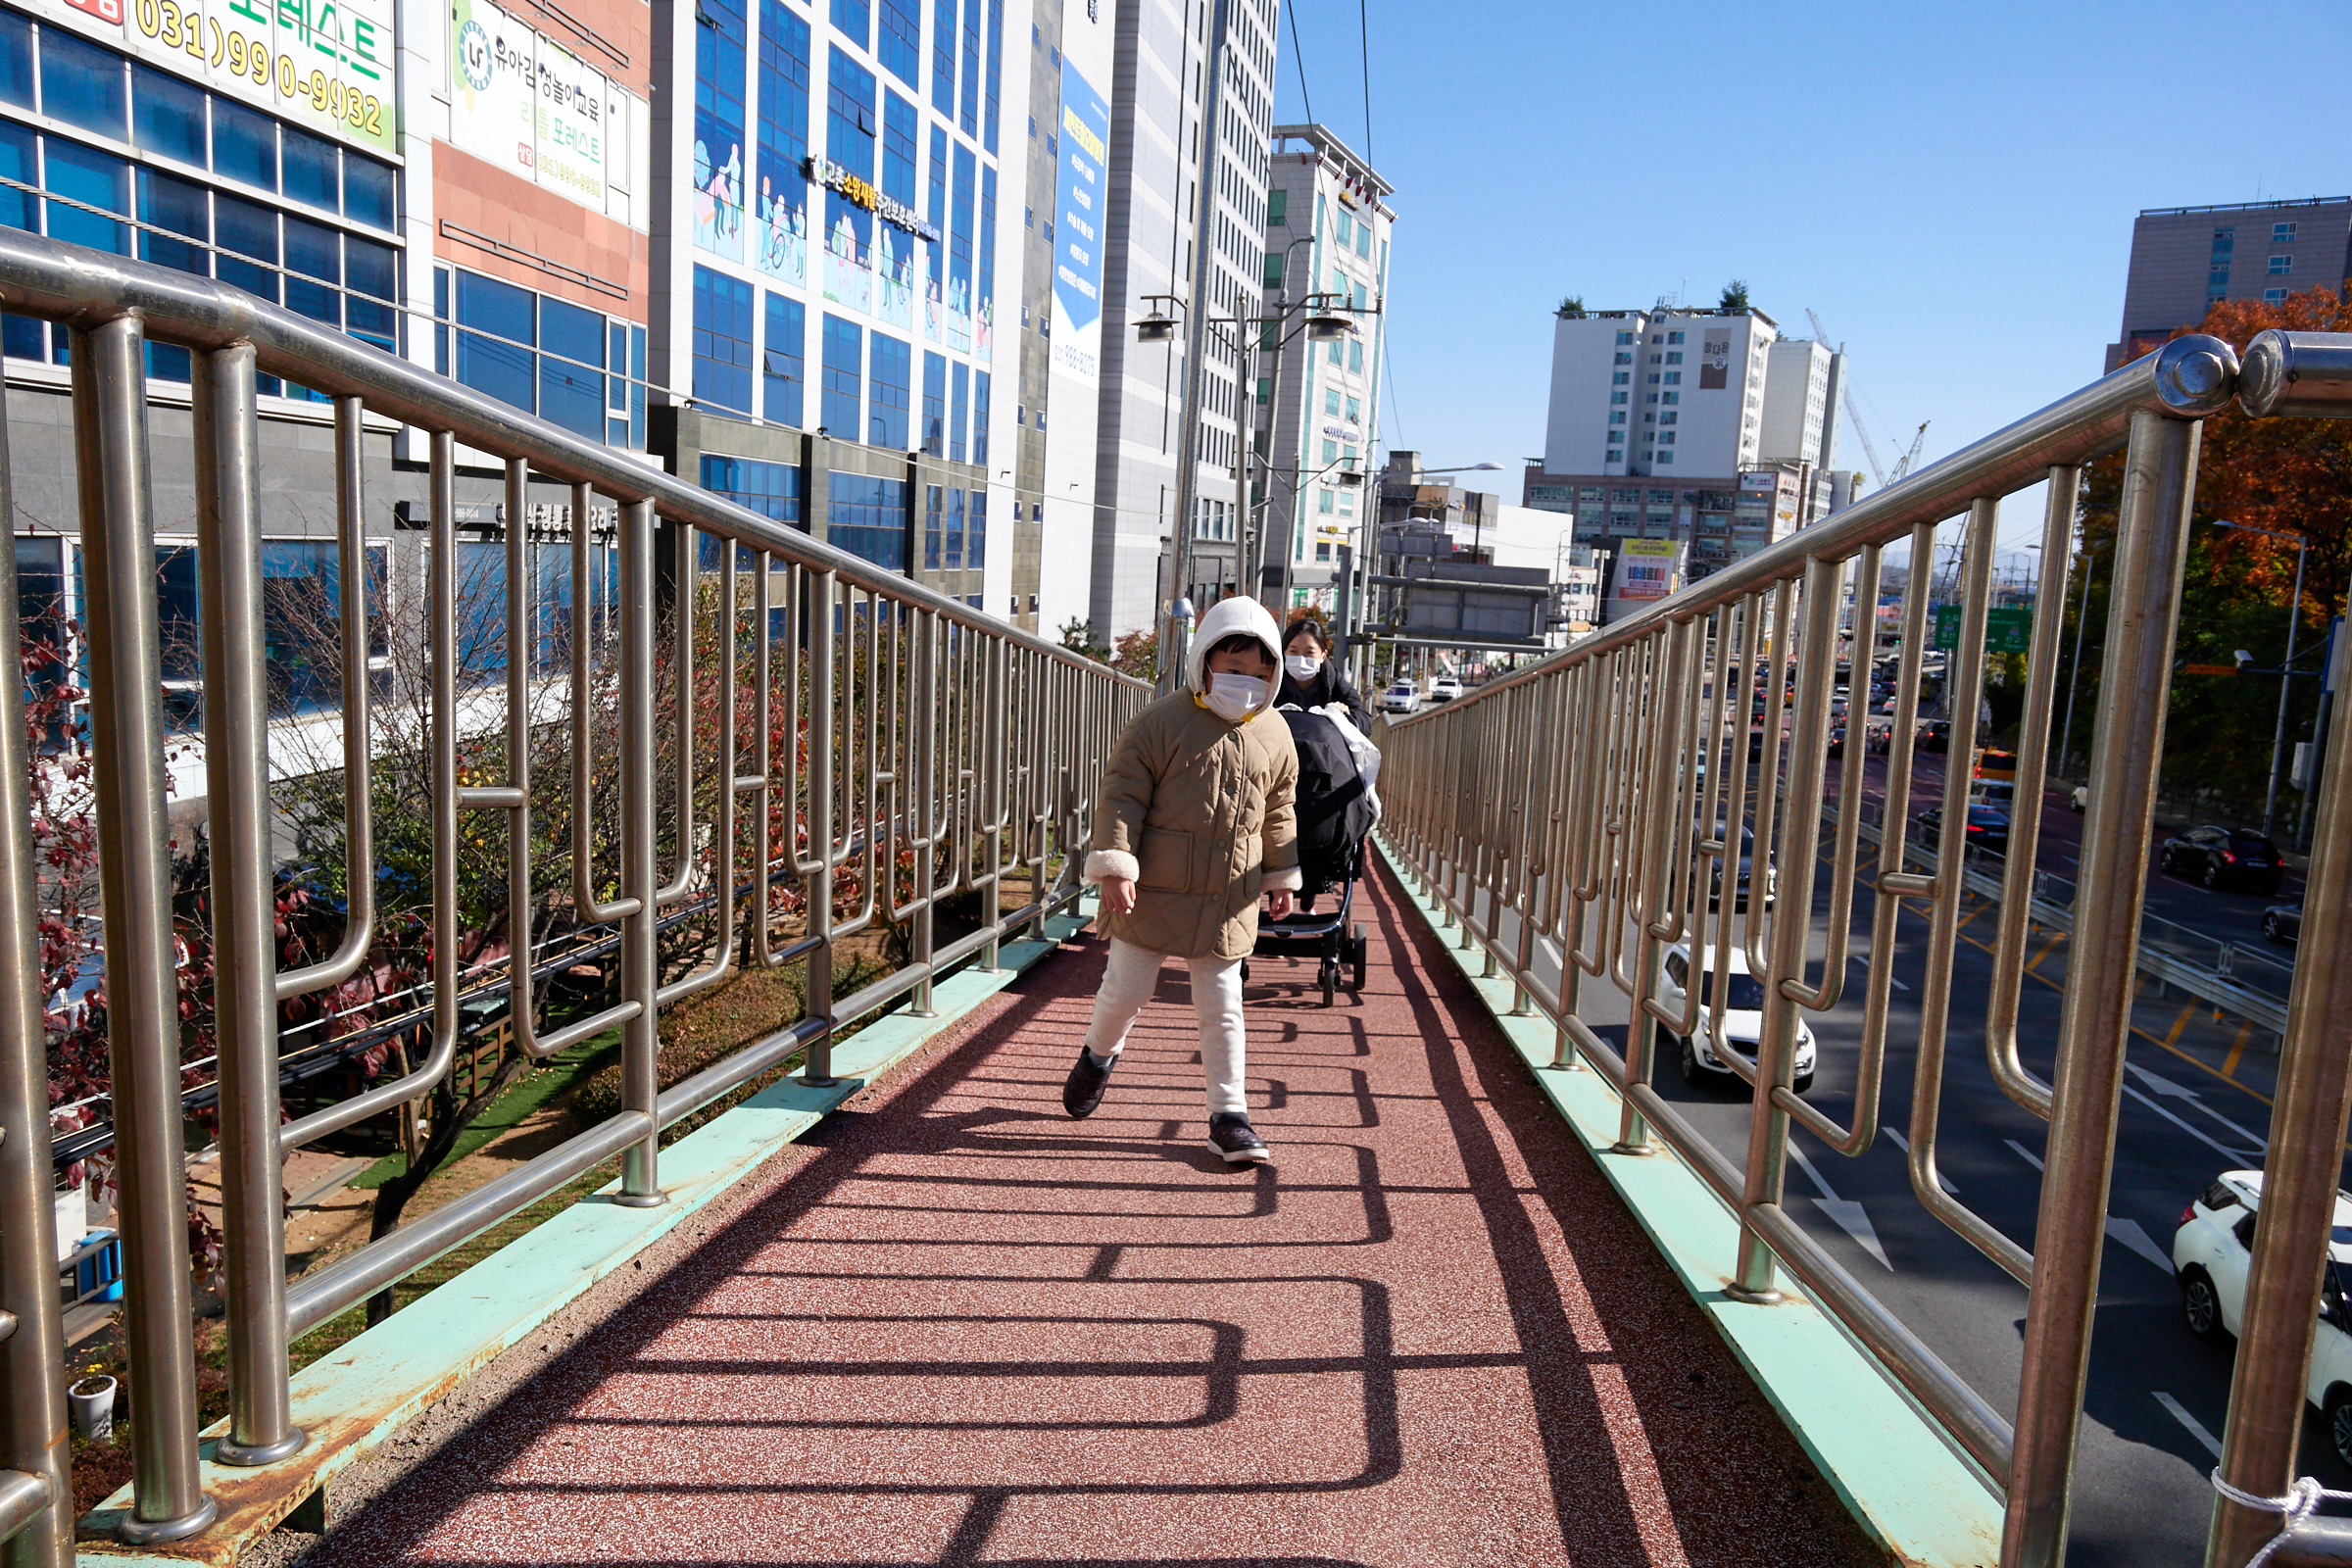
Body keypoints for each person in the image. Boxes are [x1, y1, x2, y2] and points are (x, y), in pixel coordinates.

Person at [1063, 597, 1301, 1162]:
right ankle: (1098, 1054)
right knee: (1125, 993)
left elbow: (1279, 809)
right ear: (1204, 660)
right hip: (1152, 893)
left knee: (1222, 1007)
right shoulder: (1161, 722)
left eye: (1259, 674)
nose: (1246, 683)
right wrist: (1116, 866)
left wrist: (1280, 875)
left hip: (1228, 897)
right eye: (1234, 668)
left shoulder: (1275, 733)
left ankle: (1230, 1115)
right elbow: (1122, 796)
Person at [1274, 616, 1373, 732]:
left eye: (1309, 652)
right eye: (1293, 651)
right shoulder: (1272, 681)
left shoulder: (1333, 681)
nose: (1301, 658)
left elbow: (1365, 721)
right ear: (1284, 652)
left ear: (1323, 656)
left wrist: (1347, 716)